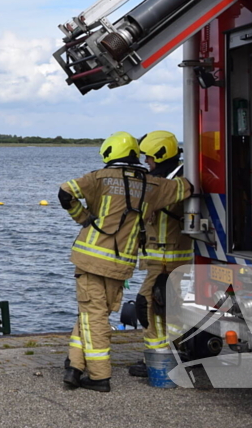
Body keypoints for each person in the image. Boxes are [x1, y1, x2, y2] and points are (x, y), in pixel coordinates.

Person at [58, 131, 192, 393]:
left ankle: (98, 375)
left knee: (92, 314)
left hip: (90, 258)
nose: (148, 161)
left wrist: (84, 218)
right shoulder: (151, 184)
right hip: (123, 263)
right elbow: (186, 188)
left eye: (151, 157)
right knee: (92, 313)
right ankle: (74, 365)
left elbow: (65, 193)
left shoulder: (99, 177)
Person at [129, 131, 193, 377]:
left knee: (148, 306)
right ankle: (173, 354)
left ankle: (158, 359)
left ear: (161, 155)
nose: (146, 162)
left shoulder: (174, 181)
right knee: (170, 310)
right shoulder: (168, 178)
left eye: (149, 158)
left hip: (169, 260)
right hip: (163, 260)